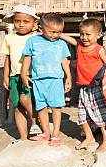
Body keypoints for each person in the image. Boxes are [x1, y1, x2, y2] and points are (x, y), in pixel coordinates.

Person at [60, 19, 106, 152]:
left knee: (100, 114)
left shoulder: (99, 49)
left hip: (97, 87)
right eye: (82, 34)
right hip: (83, 88)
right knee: (82, 115)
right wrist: (57, 33)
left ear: (98, 35)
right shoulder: (79, 46)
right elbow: (69, 39)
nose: (84, 37)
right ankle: (89, 137)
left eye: (88, 34)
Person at [21, 13, 72, 147]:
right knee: (41, 108)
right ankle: (46, 133)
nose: (55, 35)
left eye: (59, 32)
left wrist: (69, 77)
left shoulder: (61, 44)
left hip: (55, 80)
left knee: (56, 108)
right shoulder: (32, 41)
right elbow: (27, 58)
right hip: (38, 80)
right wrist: (23, 74)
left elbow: (64, 61)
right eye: (52, 32)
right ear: (41, 27)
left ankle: (55, 135)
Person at [1, 4, 41, 140]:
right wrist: (6, 76)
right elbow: (8, 58)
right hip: (15, 76)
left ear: (34, 23)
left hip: (31, 76)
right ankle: (23, 137)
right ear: (13, 22)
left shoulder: (37, 38)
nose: (21, 24)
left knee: (29, 101)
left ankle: (36, 125)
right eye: (18, 21)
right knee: (17, 106)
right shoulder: (9, 38)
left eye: (26, 21)